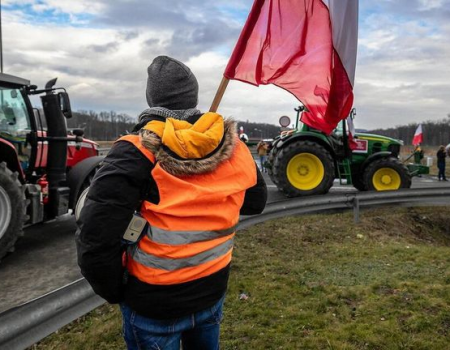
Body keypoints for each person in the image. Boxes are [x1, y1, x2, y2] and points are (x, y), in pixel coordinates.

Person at [76, 56, 267, 350]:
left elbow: (96, 237)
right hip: (212, 290)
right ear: (193, 97)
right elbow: (255, 202)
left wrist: (117, 292)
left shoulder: (134, 152)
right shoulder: (233, 146)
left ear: (151, 98)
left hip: (152, 304)